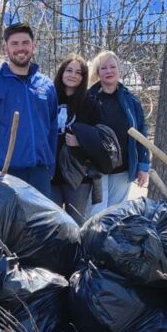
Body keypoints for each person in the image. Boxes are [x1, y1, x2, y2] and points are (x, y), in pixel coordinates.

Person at [0, 22, 59, 198]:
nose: (20, 48)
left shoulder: (46, 85)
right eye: (14, 44)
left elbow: (52, 128)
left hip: (39, 174)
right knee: (7, 226)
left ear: (34, 46)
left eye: (25, 43)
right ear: (5, 48)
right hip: (5, 173)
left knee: (40, 226)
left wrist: (49, 166)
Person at [87, 50, 149, 212]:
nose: (109, 71)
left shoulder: (131, 100)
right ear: (97, 73)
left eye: (112, 67)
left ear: (119, 71)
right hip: (97, 170)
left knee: (116, 214)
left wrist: (143, 166)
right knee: (97, 215)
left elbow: (141, 132)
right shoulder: (88, 99)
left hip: (122, 169)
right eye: (103, 68)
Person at [50, 54, 102, 221]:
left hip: (78, 176)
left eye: (78, 72)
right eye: (69, 70)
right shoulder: (48, 99)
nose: (73, 75)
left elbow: (99, 140)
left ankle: (76, 249)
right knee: (52, 224)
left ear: (83, 77)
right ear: (61, 72)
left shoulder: (90, 104)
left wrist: (82, 142)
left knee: (76, 223)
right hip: (51, 173)